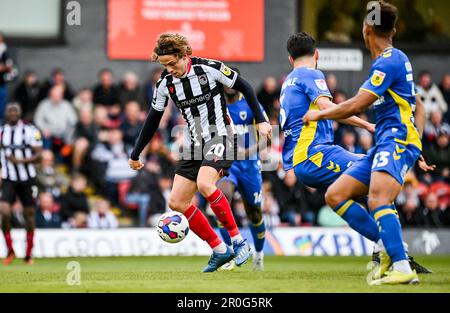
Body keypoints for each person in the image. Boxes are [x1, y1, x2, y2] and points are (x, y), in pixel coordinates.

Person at [303, 2, 434, 285]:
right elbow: (419, 106)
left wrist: (320, 113)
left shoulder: (388, 61)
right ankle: (389, 249)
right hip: (387, 143)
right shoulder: (394, 60)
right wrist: (418, 144)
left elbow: (358, 104)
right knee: (335, 195)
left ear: (366, 29)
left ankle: (401, 265)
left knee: (377, 199)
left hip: (395, 141)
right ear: (394, 30)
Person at [129, 33, 271, 272]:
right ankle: (219, 249)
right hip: (195, 145)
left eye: (172, 63)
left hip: (222, 137)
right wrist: (136, 153)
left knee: (206, 185)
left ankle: (238, 242)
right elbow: (153, 119)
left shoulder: (210, 68)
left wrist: (261, 121)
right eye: (164, 65)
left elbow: (244, 86)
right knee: (176, 202)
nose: (169, 69)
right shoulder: (165, 84)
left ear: (184, 55)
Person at [215, 68, 268, 271]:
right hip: (226, 165)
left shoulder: (250, 104)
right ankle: (228, 254)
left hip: (249, 166)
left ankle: (259, 255)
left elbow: (267, 137)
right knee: (222, 199)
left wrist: (249, 151)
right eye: (225, 81)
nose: (228, 85)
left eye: (232, 81)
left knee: (254, 213)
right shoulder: (217, 107)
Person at [0, 103, 43, 265]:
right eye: (9, 111)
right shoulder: (1, 132)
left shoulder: (31, 131)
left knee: (29, 215)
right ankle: (10, 251)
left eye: (15, 111)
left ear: (20, 113)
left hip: (28, 179)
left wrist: (20, 161)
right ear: (6, 113)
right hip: (9, 178)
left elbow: (39, 155)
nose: (12, 113)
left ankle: (28, 254)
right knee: (4, 212)